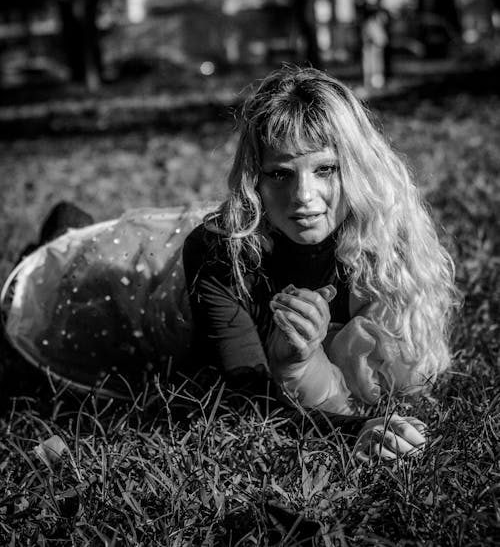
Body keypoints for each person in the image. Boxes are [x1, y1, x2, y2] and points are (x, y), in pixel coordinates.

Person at [1, 66, 458, 462]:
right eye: (280, 173)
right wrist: (349, 432)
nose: (304, 198)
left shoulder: (382, 235)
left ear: (358, 168)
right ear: (254, 180)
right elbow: (243, 394)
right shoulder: (221, 253)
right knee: (79, 277)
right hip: (160, 298)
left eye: (326, 169)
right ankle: (58, 236)